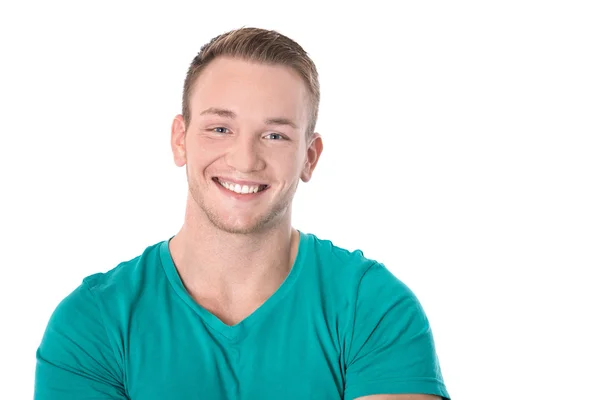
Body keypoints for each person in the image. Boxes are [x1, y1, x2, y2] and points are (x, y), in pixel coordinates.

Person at [34, 27, 451, 400]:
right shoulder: (93, 323)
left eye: (274, 135)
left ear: (309, 157)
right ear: (180, 140)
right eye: (220, 129)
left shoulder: (372, 307)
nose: (245, 159)